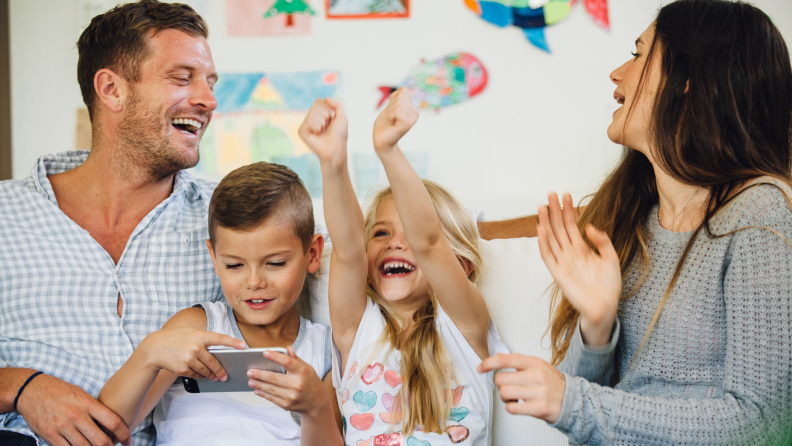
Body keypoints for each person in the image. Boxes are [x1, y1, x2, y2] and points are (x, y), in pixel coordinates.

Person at [478, 0, 792, 444]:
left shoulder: (761, 215)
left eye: (639, 53)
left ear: (688, 79)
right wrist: (598, 325)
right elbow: (581, 424)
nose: (617, 74)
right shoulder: (632, 220)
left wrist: (572, 400)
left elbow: (761, 425)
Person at [1, 2, 225, 445]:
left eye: (209, 82)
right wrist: (20, 387)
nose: (208, 100)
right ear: (111, 89)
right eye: (183, 78)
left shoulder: (233, 217)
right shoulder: (5, 214)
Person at [298, 89, 508, 445]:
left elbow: (428, 243)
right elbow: (348, 250)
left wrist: (389, 152)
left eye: (406, 232)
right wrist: (332, 161)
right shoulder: (356, 331)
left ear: (461, 265)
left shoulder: (464, 328)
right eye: (381, 233)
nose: (395, 242)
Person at [96, 162, 344, 446]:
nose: (254, 282)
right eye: (234, 265)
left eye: (275, 263)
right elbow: (109, 425)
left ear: (312, 254)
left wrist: (315, 408)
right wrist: (150, 353)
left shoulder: (324, 352)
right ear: (214, 258)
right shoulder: (195, 327)